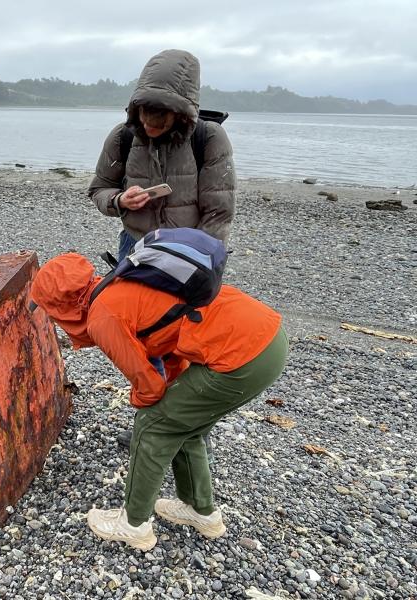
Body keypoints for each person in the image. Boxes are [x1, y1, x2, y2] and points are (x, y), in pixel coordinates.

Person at [29, 253, 288, 550]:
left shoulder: (103, 316)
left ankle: (133, 524)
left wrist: (149, 404)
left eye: (50, 312)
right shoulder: (120, 285)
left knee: (153, 424)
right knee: (182, 424)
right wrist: (168, 394)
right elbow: (170, 342)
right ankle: (200, 510)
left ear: (62, 305)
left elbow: (147, 384)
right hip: (265, 337)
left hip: (244, 355)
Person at [88, 48, 237, 449]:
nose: (150, 125)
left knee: (184, 339)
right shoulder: (122, 136)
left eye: (162, 117)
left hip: (189, 259)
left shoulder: (208, 137)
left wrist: (208, 264)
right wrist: (120, 201)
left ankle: (184, 426)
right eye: (144, 115)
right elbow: (98, 189)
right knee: (138, 340)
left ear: (183, 113)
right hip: (135, 249)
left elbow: (219, 210)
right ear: (135, 108)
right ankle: (151, 419)